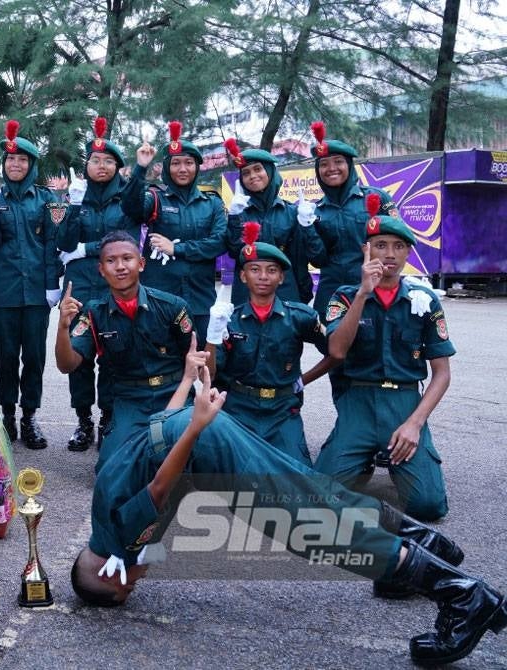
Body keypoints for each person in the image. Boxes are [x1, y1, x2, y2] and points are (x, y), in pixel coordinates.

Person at [69, 360, 505, 667]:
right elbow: (157, 429)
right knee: (310, 492)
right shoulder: (100, 513)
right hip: (196, 429)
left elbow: (161, 484)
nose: (139, 584)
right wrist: (189, 391)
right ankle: (421, 543)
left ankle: (462, 596)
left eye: (130, 590)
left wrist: (198, 423)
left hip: (203, 440)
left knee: (311, 528)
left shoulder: (120, 542)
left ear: (112, 576)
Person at [315, 202, 451, 522]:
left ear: (407, 254)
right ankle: (362, 460)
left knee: (429, 506)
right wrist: (363, 294)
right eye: (380, 245)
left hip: (403, 403)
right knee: (317, 495)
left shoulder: (424, 300)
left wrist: (415, 424)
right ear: (367, 250)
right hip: (358, 401)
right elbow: (336, 350)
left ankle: (403, 459)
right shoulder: (345, 296)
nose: (389, 254)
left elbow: (442, 374)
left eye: (398, 246)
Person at [55, 231, 193, 467]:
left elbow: (191, 358)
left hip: (172, 393)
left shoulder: (172, 307)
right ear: (101, 269)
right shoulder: (94, 312)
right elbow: (67, 365)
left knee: (187, 463)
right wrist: (62, 327)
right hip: (129, 400)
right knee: (110, 470)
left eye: (127, 259)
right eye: (111, 261)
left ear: (141, 264)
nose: (120, 266)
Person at [203, 223, 332, 465]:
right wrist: (212, 336)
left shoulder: (300, 316)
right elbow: (208, 374)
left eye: (272, 270)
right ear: (243, 276)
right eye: (254, 269)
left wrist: (304, 380)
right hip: (239, 408)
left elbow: (336, 352)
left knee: (296, 478)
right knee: (228, 477)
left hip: (283, 411)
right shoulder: (228, 320)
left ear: (281, 278)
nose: (263, 276)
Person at [0, 119, 67, 449]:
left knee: (34, 357)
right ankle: (6, 415)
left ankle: (29, 416)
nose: (14, 165)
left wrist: (51, 283)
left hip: (35, 293)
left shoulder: (45, 200)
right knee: (4, 356)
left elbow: (51, 245)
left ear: (31, 165)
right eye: (10, 160)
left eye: (21, 160)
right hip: (5, 292)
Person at [55, 117, 138, 451]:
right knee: (79, 355)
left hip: (113, 286)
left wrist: (87, 248)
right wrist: (73, 208)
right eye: (95, 160)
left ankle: (108, 418)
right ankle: (83, 421)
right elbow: (63, 241)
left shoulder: (127, 200)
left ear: (117, 167)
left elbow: (128, 240)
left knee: (114, 353)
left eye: (108, 161)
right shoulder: (75, 196)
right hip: (80, 287)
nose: (100, 166)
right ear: (86, 165)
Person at [120, 121, 227, 339]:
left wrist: (176, 249)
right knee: (164, 362)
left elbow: (219, 243)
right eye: (176, 163)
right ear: (168, 167)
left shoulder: (212, 203)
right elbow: (130, 207)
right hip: (160, 299)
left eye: (189, 163)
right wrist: (141, 168)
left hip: (200, 300)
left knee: (205, 362)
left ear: (197, 167)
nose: (182, 169)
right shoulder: (155, 197)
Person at [303, 121, 396, 321]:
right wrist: (307, 226)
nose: (331, 168)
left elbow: (398, 242)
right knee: (329, 342)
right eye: (324, 164)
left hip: (373, 286)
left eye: (338, 162)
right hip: (332, 291)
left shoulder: (376, 198)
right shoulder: (316, 210)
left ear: (349, 165)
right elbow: (318, 259)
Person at [222, 138, 322, 305]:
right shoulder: (239, 211)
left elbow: (300, 258)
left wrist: (303, 293)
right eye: (246, 173)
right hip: (248, 295)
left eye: (257, 169)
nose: (252, 176)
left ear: (269, 171)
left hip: (285, 292)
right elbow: (235, 252)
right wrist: (234, 218)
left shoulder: (291, 212)